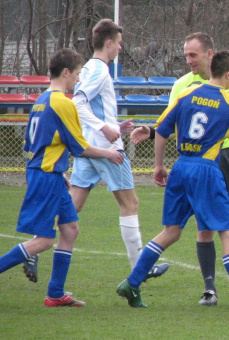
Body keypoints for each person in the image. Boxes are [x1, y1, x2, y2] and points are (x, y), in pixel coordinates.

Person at [116, 50, 229, 309]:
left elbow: (162, 128)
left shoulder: (186, 95)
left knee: (171, 231)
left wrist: (158, 166)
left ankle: (132, 282)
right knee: (228, 231)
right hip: (206, 169)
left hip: (181, 166)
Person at [0, 48, 124, 306]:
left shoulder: (41, 100)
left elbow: (39, 143)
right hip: (45, 176)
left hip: (50, 174)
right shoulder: (62, 103)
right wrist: (110, 154)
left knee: (70, 229)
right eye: (78, 74)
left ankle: (55, 293)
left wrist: (62, 172)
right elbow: (81, 147)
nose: (79, 79)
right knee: (44, 240)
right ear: (66, 72)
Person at [66, 19, 168, 279]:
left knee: (71, 205)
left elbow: (90, 105)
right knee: (130, 203)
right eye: (119, 43)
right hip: (106, 149)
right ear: (109, 43)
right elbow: (77, 103)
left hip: (87, 146)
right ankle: (140, 269)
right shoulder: (100, 70)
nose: (120, 49)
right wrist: (104, 128)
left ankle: (34, 245)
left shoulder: (88, 68)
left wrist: (115, 126)